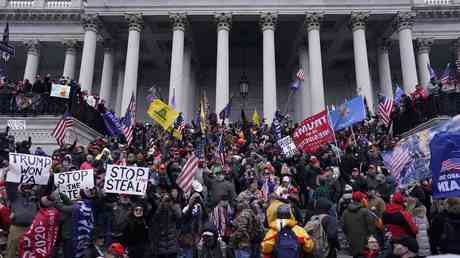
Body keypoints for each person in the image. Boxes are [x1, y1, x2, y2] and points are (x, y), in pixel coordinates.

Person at [342, 192, 379, 258]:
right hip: (364, 242)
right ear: (362, 199)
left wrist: (348, 236)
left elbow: (343, 226)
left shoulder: (345, 212)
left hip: (352, 241)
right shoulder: (365, 211)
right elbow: (371, 227)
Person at [5, 184, 38, 258]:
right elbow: (10, 188)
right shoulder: (14, 197)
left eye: (29, 187)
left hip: (31, 228)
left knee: (29, 252)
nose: (27, 189)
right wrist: (11, 174)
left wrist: (50, 177)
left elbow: (47, 190)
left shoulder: (35, 198)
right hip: (16, 228)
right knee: (11, 250)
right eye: (25, 188)